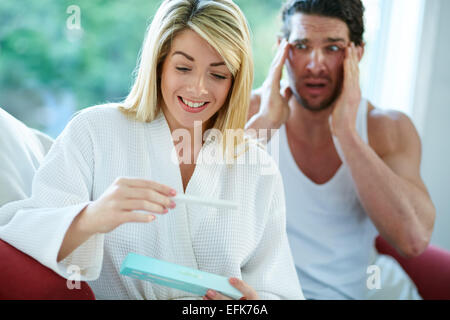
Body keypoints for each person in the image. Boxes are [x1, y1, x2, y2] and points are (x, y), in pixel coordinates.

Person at [0, 0, 304, 300]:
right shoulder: (94, 131)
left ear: (235, 82)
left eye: (218, 75)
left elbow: (276, 288)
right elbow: (23, 237)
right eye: (183, 67)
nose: (198, 88)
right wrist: (92, 216)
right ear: (159, 64)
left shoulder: (255, 166)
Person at [246, 0, 436, 300]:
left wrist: (346, 133)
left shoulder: (388, 128)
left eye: (333, 48)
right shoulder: (249, 113)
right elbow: (196, 210)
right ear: (282, 48)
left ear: (357, 53)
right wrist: (266, 124)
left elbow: (413, 240)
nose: (315, 64)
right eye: (302, 45)